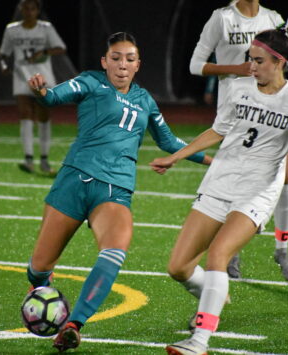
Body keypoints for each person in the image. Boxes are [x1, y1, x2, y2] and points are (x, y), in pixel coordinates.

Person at [151, 24, 288, 355]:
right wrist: (177, 157)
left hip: (256, 193)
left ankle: (199, 341)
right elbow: (216, 131)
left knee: (218, 256)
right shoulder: (240, 89)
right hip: (219, 182)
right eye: (249, 60)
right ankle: (215, 293)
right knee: (178, 267)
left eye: (258, 61)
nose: (250, 67)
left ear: (279, 62)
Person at [25, 32, 211, 352]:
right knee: (38, 268)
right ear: (104, 62)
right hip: (73, 182)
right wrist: (42, 91)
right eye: (115, 58)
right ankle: (43, 290)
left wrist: (211, 161)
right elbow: (53, 97)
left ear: (138, 65)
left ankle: (73, 324)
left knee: (115, 250)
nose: (121, 65)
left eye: (129, 59)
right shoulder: (90, 82)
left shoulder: (146, 101)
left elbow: (168, 142)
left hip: (115, 189)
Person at [189, 0, 288, 281]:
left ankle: (281, 248)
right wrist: (237, 68)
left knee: (285, 178)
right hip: (236, 113)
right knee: (234, 180)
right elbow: (195, 65)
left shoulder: (273, 18)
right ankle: (231, 250)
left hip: (273, 109)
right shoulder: (221, 19)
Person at [0, 0, 66, 174]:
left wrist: (44, 52)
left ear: (37, 10)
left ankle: (44, 159)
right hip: (22, 77)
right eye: (25, 8)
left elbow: (60, 48)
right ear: (21, 9)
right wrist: (4, 65)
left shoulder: (46, 28)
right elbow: (3, 54)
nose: (29, 12)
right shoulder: (12, 29)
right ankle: (28, 159)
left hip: (43, 78)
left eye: (32, 8)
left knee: (43, 117)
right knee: (25, 115)